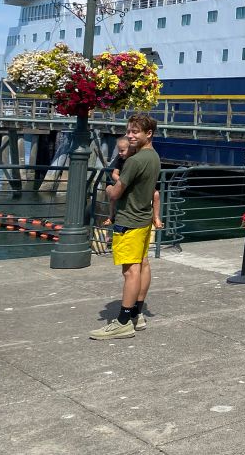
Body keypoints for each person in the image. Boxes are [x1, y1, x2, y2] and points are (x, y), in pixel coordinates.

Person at [90, 115, 162, 340]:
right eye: (129, 131)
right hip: (143, 219)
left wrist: (109, 190)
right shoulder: (154, 156)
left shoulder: (134, 161)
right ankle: (137, 315)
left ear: (148, 133)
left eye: (135, 132)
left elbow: (116, 192)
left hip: (128, 221)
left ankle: (122, 322)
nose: (130, 135)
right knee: (143, 265)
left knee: (130, 271)